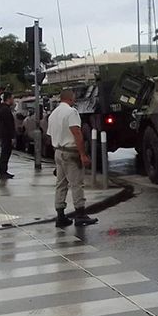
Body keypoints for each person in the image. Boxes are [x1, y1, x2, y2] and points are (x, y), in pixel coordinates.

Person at [47, 89, 97, 227]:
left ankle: (60, 215)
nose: (75, 99)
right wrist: (82, 154)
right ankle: (80, 214)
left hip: (58, 151)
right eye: (74, 97)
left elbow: (51, 135)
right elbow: (77, 133)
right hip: (70, 152)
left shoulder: (53, 114)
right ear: (70, 98)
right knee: (76, 183)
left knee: (61, 185)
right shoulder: (71, 112)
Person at [0, 92, 16, 179]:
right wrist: (12, 136)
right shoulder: (5, 110)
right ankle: (2, 172)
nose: (13, 100)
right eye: (12, 98)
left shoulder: (3, 109)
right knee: (5, 153)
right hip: (6, 135)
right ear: (8, 99)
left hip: (4, 134)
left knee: (5, 153)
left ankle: (4, 171)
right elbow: (9, 124)